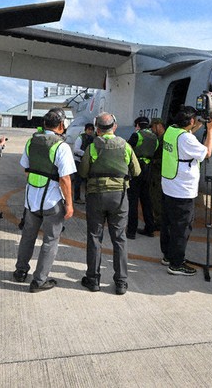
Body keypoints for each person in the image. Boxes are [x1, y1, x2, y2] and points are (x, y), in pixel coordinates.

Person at [14, 108, 75, 292]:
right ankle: (39, 281)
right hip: (52, 201)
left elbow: (25, 168)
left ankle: (20, 271)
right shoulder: (61, 146)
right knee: (50, 240)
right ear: (62, 125)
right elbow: (65, 179)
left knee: (28, 236)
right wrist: (70, 204)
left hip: (31, 199)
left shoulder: (31, 141)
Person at [78, 113, 140, 295]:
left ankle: (93, 279)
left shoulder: (93, 146)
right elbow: (136, 171)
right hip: (119, 197)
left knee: (95, 237)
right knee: (119, 238)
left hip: (96, 196)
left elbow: (82, 171)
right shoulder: (125, 146)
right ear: (115, 126)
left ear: (97, 129)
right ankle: (121, 282)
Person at [160, 106, 212, 276]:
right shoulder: (186, 139)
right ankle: (177, 264)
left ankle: (168, 257)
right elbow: (207, 153)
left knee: (168, 224)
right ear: (190, 122)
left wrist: (199, 124)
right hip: (182, 190)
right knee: (182, 228)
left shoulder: (171, 131)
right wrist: (210, 130)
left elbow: (186, 134)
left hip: (169, 185)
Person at [126, 116, 158, 238]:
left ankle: (131, 231)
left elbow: (127, 149)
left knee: (133, 201)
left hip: (136, 168)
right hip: (148, 169)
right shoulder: (154, 137)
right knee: (146, 200)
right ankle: (150, 228)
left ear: (138, 125)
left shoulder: (136, 135)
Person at [147, 118, 166, 230]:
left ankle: (159, 222)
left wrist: (154, 161)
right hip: (157, 173)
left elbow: (166, 158)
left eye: (153, 127)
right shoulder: (159, 138)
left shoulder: (164, 139)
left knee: (157, 197)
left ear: (158, 125)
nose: (152, 130)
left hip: (160, 173)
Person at [71, 123, 95, 204]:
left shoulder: (92, 138)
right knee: (78, 180)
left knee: (87, 181)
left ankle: (87, 197)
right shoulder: (80, 138)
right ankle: (76, 198)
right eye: (89, 129)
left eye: (92, 130)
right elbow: (76, 150)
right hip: (79, 161)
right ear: (85, 130)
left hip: (87, 162)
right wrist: (85, 154)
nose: (90, 131)